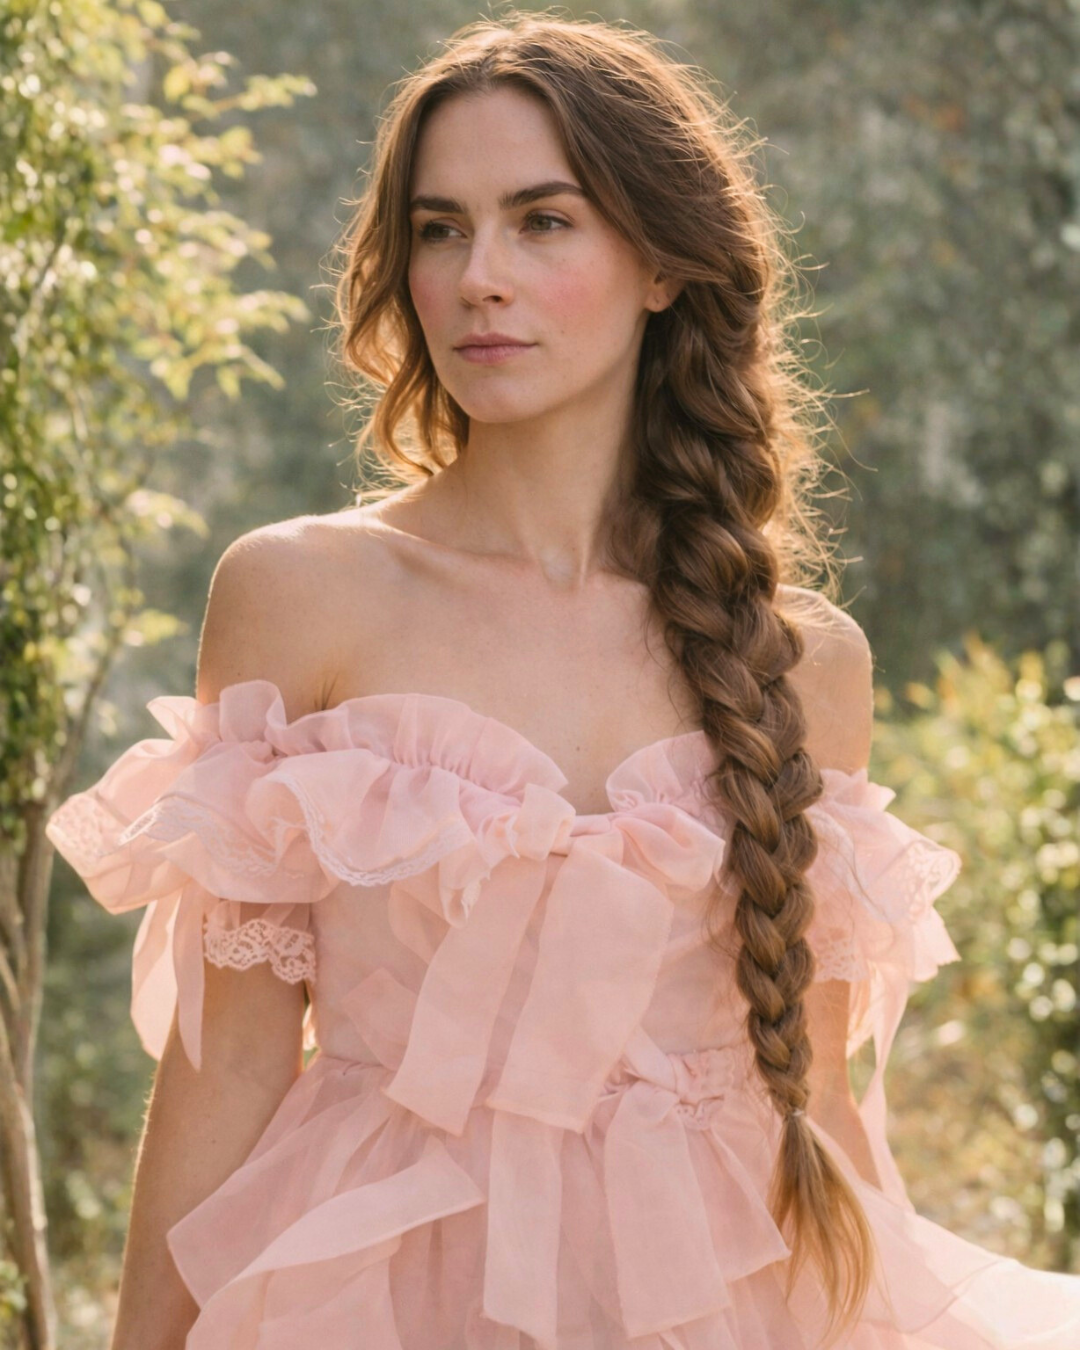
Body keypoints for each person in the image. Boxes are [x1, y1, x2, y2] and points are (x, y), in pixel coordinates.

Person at [44, 10, 1080, 1349]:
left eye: (543, 221)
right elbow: (227, 1061)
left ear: (660, 263)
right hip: (372, 1294)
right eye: (439, 227)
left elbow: (814, 1098)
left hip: (728, 1298)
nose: (480, 275)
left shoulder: (806, 661)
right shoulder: (300, 595)